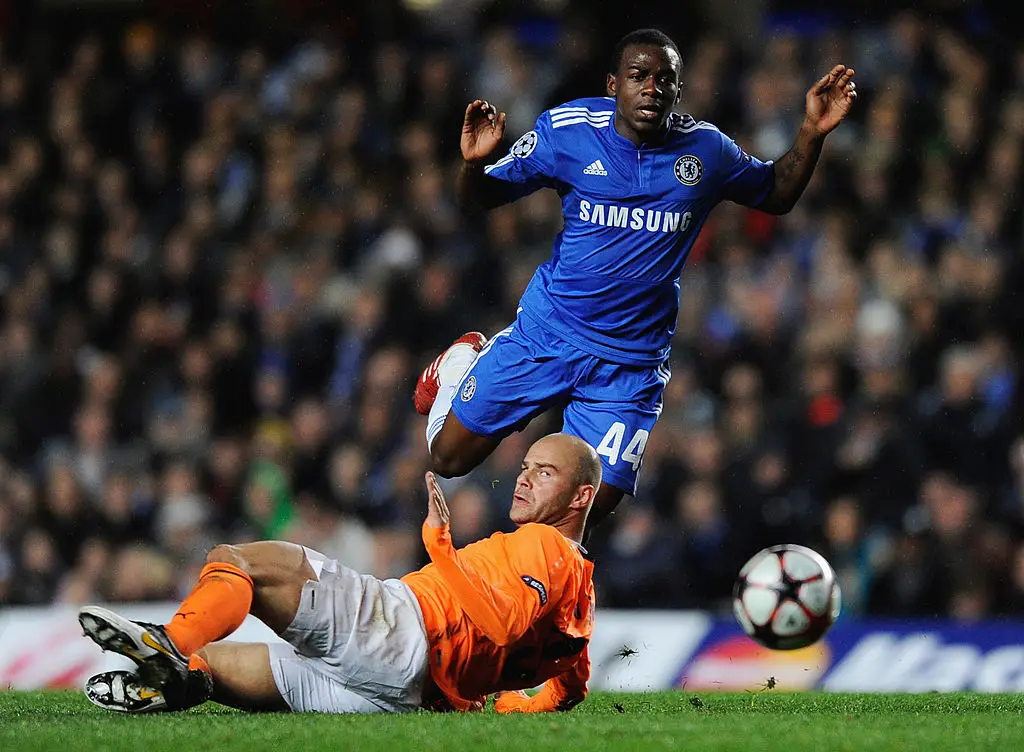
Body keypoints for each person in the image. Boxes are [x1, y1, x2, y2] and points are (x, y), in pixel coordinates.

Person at [414, 28, 857, 536]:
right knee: (447, 460)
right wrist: (474, 166)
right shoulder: (567, 132)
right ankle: (461, 363)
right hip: (550, 334)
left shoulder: (705, 151)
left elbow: (775, 192)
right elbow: (479, 199)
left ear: (677, 91)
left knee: (579, 515)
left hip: (629, 364)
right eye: (638, 76)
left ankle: (524, 601)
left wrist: (811, 132)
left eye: (664, 79)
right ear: (612, 85)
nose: (651, 87)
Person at [78, 433, 599, 715]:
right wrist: (508, 706)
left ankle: (168, 643)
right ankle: (169, 683)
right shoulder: (582, 601)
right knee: (209, 665)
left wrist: (440, 547)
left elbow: (503, 624)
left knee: (239, 562)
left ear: (581, 497)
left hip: (401, 632)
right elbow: (568, 689)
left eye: (544, 472)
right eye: (526, 466)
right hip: (414, 696)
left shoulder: (544, 544)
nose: (523, 480)